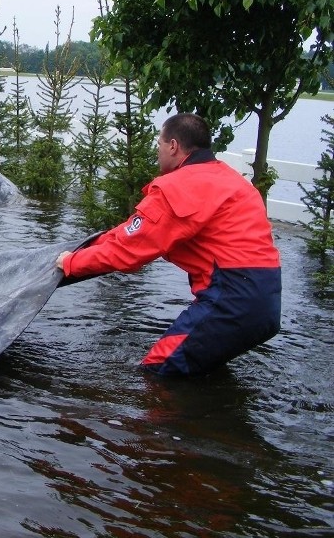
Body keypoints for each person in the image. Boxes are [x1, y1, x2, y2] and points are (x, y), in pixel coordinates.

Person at [56, 113, 281, 377]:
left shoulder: (177, 187)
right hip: (267, 300)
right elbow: (130, 232)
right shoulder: (231, 180)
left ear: (173, 146)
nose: (158, 152)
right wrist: (92, 245)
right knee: (200, 372)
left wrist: (70, 262)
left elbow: (126, 252)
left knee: (158, 372)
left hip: (231, 299)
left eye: (159, 144)